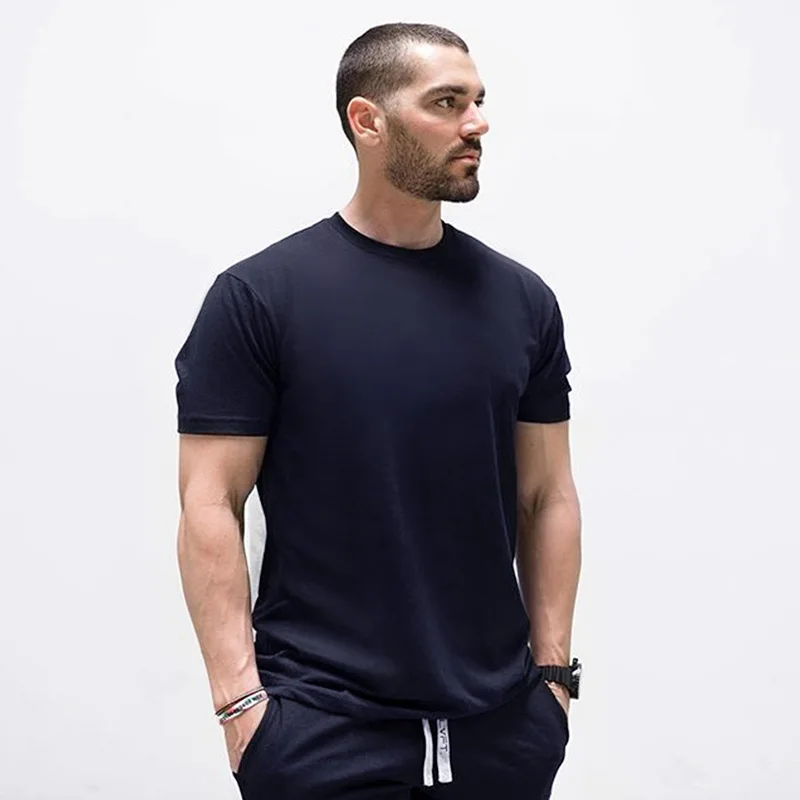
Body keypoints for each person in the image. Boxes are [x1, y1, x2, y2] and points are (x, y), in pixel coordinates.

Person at [174, 21, 582, 800]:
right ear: (368, 121)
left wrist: (553, 682)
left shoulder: (522, 301)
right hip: (322, 731)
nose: (477, 123)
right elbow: (209, 502)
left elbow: (547, 495)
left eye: (479, 101)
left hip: (500, 732)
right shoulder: (260, 298)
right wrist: (241, 709)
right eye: (448, 102)